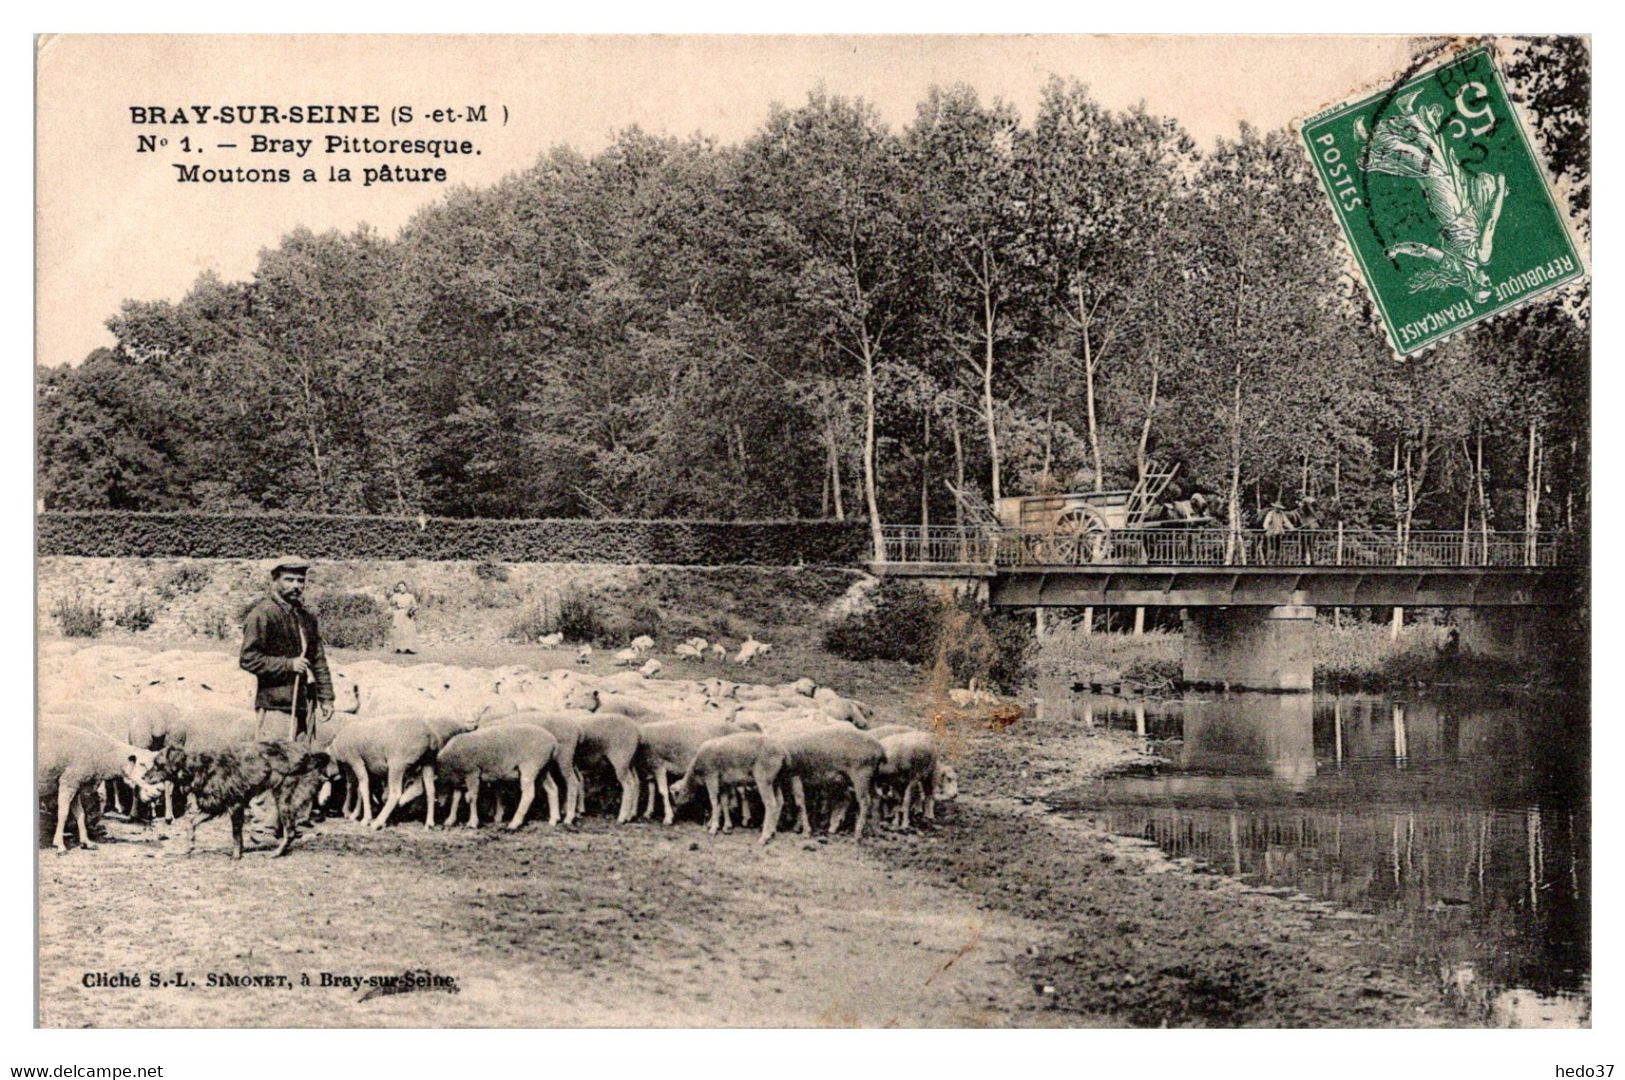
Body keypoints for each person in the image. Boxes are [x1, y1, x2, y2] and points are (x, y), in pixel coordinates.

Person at [240, 556, 335, 743]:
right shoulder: (263, 614)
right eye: (289, 579)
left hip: (303, 705)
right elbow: (248, 658)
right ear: (275, 581)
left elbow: (317, 658)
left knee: (301, 762)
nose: (296, 585)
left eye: (300, 580)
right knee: (274, 765)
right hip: (275, 707)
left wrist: (326, 697)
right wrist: (288, 664)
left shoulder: (306, 616)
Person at [389, 581, 419, 655]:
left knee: (408, 631)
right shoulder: (396, 596)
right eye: (399, 587)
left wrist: (411, 610)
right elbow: (391, 604)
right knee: (398, 631)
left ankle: (408, 648)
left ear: (405, 587)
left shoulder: (410, 596)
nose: (401, 588)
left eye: (402, 587)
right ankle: (397, 648)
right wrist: (394, 608)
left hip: (407, 614)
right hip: (399, 614)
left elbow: (415, 606)